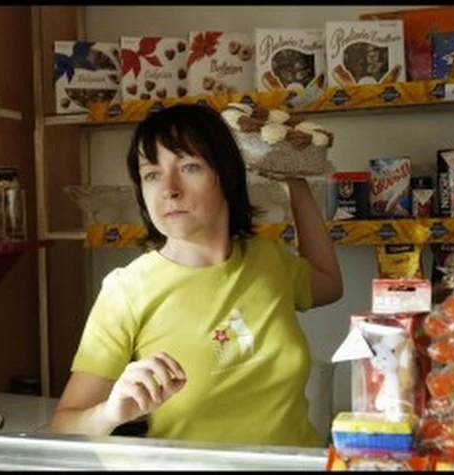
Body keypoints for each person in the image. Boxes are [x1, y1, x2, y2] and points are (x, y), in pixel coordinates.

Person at [49, 103, 343, 447]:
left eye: (189, 167)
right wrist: (111, 413)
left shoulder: (268, 260)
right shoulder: (126, 290)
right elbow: (64, 425)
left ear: (226, 176)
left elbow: (329, 283)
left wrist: (295, 180)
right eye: (152, 174)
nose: (168, 189)